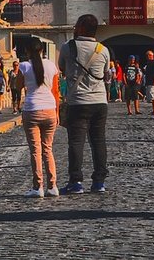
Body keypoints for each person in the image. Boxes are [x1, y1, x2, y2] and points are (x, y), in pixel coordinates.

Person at [58, 13, 111, 194]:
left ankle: (76, 182)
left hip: (78, 101)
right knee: (98, 141)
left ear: (80, 27)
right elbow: (105, 74)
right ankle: (99, 182)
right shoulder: (103, 49)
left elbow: (62, 68)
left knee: (76, 142)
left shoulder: (68, 47)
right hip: (99, 101)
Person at [15, 35, 61, 198]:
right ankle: (53, 186)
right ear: (42, 50)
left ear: (27, 51)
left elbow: (18, 86)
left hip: (32, 109)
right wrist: (57, 113)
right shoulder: (51, 65)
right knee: (48, 149)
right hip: (49, 108)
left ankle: (38, 186)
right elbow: (56, 91)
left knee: (35, 150)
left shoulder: (24, 66)